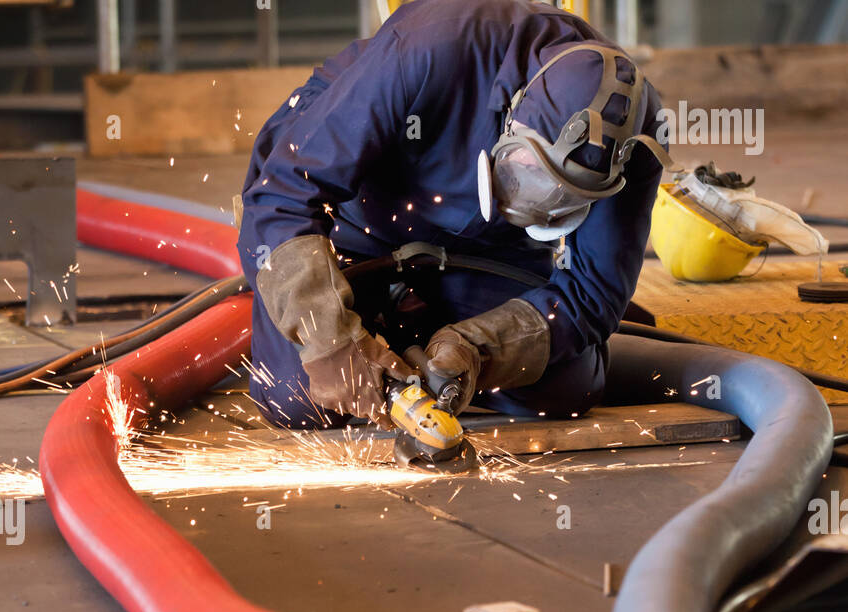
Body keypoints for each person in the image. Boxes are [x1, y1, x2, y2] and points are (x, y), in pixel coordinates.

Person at [237, 0, 670, 431]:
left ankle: (414, 332)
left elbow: (594, 292)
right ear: (515, 110)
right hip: (356, 221)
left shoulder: (636, 135)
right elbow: (284, 195)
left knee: (567, 390)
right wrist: (330, 341)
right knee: (296, 397)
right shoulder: (431, 47)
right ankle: (379, 320)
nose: (533, 198)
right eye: (525, 173)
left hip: (486, 246)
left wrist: (477, 350)